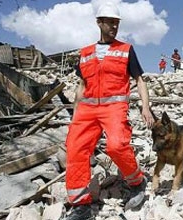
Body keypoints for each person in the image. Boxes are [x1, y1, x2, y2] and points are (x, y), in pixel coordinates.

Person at [64, 3, 154, 219]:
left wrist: (145, 107)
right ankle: (81, 205)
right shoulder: (85, 53)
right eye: (110, 22)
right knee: (75, 148)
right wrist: (76, 112)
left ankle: (136, 181)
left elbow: (139, 80)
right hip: (86, 108)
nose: (115, 26)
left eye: (117, 22)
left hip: (113, 107)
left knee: (116, 145)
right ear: (99, 22)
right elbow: (81, 85)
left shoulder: (125, 50)